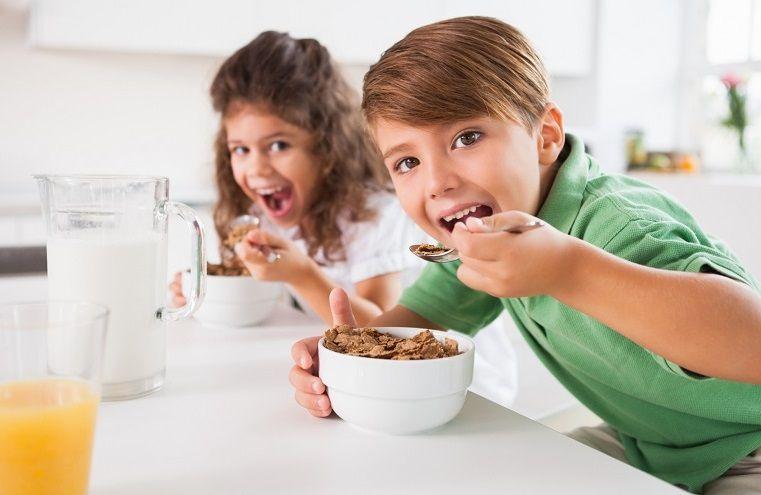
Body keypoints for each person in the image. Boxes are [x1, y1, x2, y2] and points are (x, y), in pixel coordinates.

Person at [288, 17, 761, 494]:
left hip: (748, 446)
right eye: (408, 162)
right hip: (652, 445)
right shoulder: (487, 238)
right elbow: (422, 316)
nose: (436, 182)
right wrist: (348, 354)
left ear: (545, 136)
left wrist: (568, 270)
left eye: (466, 138)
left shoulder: (617, 223)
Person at [169, 30, 519, 407]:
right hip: (382, 385)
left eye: (278, 145)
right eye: (240, 149)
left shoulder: (376, 214)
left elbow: (380, 328)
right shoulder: (263, 212)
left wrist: (301, 274)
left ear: (326, 146)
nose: (256, 168)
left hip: (466, 390)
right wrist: (209, 290)